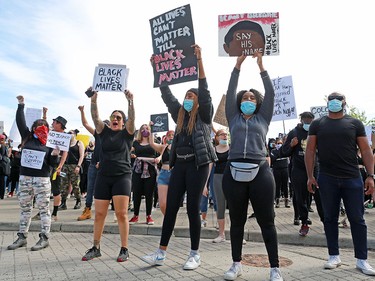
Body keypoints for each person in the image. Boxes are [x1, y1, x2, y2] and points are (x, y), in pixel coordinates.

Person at [141, 44, 217, 270]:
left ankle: (194, 254)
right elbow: (166, 94)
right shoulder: (179, 116)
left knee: (193, 207)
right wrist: (157, 69)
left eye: (191, 96)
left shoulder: (204, 114)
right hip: (179, 166)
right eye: (186, 95)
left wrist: (199, 60)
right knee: (171, 207)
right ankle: (161, 253)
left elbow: (205, 89)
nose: (188, 98)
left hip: (198, 164)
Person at [221, 52, 283, 281]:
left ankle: (275, 267)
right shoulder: (233, 117)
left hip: (260, 171)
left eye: (252, 98)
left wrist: (261, 66)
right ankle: (236, 264)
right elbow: (230, 90)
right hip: (233, 171)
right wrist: (237, 65)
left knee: (267, 220)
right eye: (244, 98)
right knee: (236, 221)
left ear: (258, 102)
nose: (248, 101)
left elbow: (272, 93)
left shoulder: (263, 118)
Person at [305, 92, 375, 276]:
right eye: (331, 99)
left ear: (344, 103)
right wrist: (310, 176)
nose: (334, 101)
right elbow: (310, 150)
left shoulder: (355, 123)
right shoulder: (317, 124)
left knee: (357, 219)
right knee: (329, 218)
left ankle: (362, 260)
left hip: (352, 178)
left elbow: (366, 150)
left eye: (338, 99)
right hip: (327, 178)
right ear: (327, 103)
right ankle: (333, 256)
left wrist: (371, 175)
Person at [81, 88, 135, 263]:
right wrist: (94, 100)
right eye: (113, 117)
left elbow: (132, 119)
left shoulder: (127, 134)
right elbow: (95, 118)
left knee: (121, 213)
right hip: (103, 176)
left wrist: (130, 102)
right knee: (99, 214)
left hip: (122, 176)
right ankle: (96, 247)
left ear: (123, 122)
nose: (115, 119)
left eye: (119, 117)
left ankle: (124, 249)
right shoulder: (103, 132)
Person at [7, 95, 59, 251]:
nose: (42, 128)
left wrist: (55, 156)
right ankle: (22, 237)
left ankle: (44, 237)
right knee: (25, 208)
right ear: (33, 128)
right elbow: (20, 121)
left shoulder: (50, 143)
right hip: (25, 179)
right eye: (39, 126)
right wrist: (21, 105)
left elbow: (52, 164)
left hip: (42, 180)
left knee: (44, 209)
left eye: (44, 126)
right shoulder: (27, 137)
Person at [282, 111, 324, 234]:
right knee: (300, 197)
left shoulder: (317, 132)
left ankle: (325, 221)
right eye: (305, 120)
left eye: (310, 121)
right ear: (301, 121)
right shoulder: (294, 133)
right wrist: (291, 145)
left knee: (319, 196)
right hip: (299, 169)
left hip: (315, 168)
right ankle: (304, 222)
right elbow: (284, 152)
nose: (308, 123)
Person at [129, 124, 158, 225]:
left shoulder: (154, 142)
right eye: (143, 129)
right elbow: (126, 150)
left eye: (147, 129)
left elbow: (162, 150)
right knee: (136, 192)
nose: (145, 130)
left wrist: (159, 158)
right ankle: (135, 215)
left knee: (149, 193)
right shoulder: (136, 143)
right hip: (138, 170)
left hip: (150, 170)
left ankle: (148, 216)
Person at [148, 128, 174, 215]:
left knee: (173, 202)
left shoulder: (178, 148)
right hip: (163, 174)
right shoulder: (163, 147)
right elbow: (151, 143)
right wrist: (152, 130)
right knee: (163, 204)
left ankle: (170, 222)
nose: (171, 137)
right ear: (166, 138)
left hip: (175, 175)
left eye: (173, 135)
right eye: (169, 135)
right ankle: (167, 220)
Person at [211, 129, 230, 243]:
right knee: (220, 206)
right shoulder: (213, 150)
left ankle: (237, 234)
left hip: (232, 178)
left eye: (226, 134)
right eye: (222, 134)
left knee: (234, 205)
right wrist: (204, 185)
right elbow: (209, 167)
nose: (224, 136)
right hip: (217, 178)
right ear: (217, 137)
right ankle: (221, 234)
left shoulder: (232, 148)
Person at [59, 129, 84, 210]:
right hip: (65, 166)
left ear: (75, 134)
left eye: (71, 133)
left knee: (75, 185)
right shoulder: (65, 144)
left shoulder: (79, 143)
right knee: (63, 184)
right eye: (68, 133)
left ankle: (78, 200)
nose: (69, 134)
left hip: (74, 166)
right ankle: (63, 202)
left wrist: (78, 166)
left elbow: (81, 155)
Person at [270, 138, 290, 208]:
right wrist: (279, 154)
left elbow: (286, 155)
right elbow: (273, 158)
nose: (279, 145)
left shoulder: (285, 150)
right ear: (275, 144)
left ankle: (286, 200)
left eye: (281, 143)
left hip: (285, 169)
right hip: (277, 170)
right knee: (277, 185)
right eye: (278, 143)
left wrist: (279, 154)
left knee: (285, 185)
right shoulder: (273, 151)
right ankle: (277, 201)